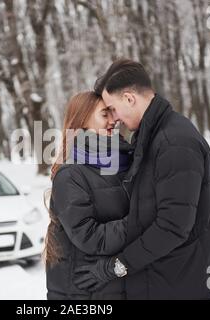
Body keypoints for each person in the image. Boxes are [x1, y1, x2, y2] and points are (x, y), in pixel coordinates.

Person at [73, 59, 210, 300]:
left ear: (129, 98)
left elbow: (172, 227)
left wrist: (117, 266)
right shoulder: (154, 137)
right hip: (182, 278)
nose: (114, 118)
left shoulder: (174, 142)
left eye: (112, 108)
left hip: (200, 284)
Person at [44, 91, 134, 299]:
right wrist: (139, 222)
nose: (113, 120)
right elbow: (89, 236)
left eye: (113, 112)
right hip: (83, 292)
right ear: (82, 120)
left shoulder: (125, 162)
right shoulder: (70, 174)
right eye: (104, 114)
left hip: (116, 286)